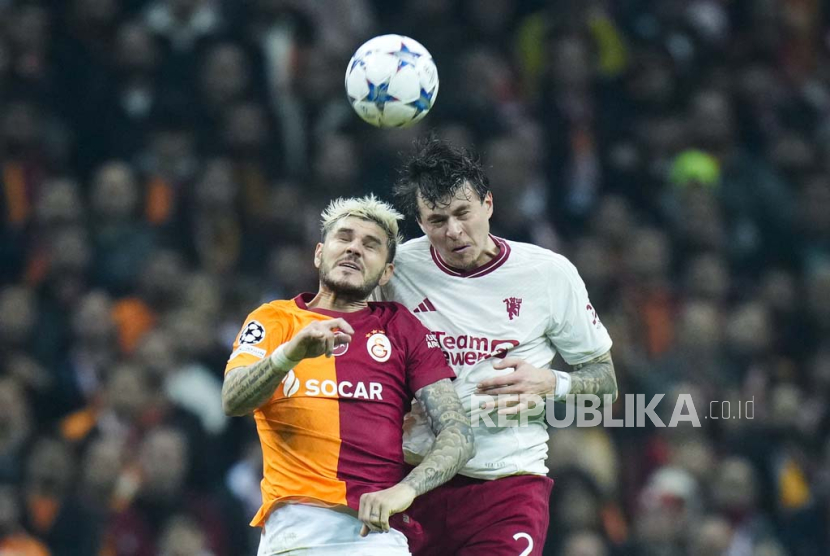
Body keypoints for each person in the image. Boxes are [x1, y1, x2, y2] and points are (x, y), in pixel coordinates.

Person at [378, 137, 618, 556]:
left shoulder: (548, 274)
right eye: (436, 220)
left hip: (508, 486)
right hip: (412, 482)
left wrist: (553, 383)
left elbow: (605, 381)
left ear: (488, 204)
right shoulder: (396, 267)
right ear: (419, 222)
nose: (453, 232)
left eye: (462, 213)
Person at [221, 195, 474, 556]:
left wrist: (406, 490)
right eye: (345, 238)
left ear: (386, 272)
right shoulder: (274, 319)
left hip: (377, 535)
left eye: (370, 245)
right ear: (319, 253)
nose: (355, 249)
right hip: (294, 532)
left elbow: (459, 433)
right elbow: (233, 399)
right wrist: (291, 353)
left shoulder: (401, 328)